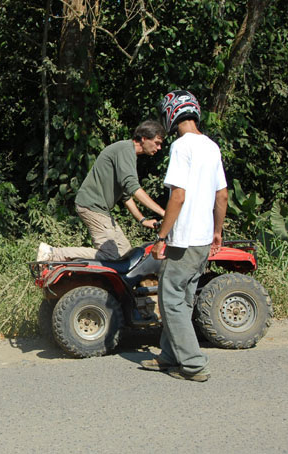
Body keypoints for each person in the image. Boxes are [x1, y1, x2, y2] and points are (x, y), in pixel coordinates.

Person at [140, 90, 228, 382]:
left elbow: (177, 196)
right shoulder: (212, 147)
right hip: (202, 239)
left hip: (183, 240)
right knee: (183, 299)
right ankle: (169, 356)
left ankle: (192, 365)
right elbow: (222, 195)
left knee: (171, 300)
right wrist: (217, 231)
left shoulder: (181, 147)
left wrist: (162, 237)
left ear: (171, 114)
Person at [37, 120, 166, 262]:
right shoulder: (125, 150)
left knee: (125, 255)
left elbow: (126, 196)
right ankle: (53, 253)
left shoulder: (127, 153)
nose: (159, 147)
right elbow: (133, 188)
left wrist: (142, 220)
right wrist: (163, 212)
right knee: (111, 256)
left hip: (100, 209)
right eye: (157, 142)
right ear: (144, 139)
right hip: (92, 206)